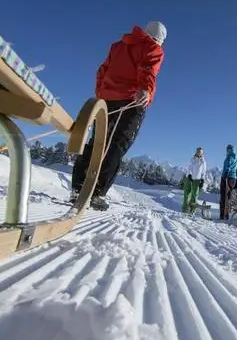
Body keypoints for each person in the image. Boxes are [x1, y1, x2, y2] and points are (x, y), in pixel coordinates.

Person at [70, 21, 167, 211]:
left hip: (106, 99)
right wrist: (146, 90)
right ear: (160, 38)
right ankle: (97, 192)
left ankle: (78, 186)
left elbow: (102, 70)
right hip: (131, 101)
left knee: (98, 141)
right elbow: (148, 69)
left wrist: (102, 93)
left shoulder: (119, 45)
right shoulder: (153, 47)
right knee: (118, 144)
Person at [182, 147, 207, 214]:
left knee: (194, 196)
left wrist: (202, 180)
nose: (199, 153)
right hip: (189, 178)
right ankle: (184, 210)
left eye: (200, 152)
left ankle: (192, 212)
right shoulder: (192, 159)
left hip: (197, 180)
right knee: (187, 194)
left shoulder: (203, 161)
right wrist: (189, 174)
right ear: (196, 152)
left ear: (202, 153)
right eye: (198, 151)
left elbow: (203, 172)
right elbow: (189, 167)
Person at [219, 144, 237, 220]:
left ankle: (222, 216)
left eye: (227, 149)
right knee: (228, 197)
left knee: (224, 197)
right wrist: (236, 180)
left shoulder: (229, 157)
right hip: (233, 179)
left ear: (229, 150)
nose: (226, 151)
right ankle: (226, 215)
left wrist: (226, 174)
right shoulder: (236, 159)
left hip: (227, 178)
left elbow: (228, 166)